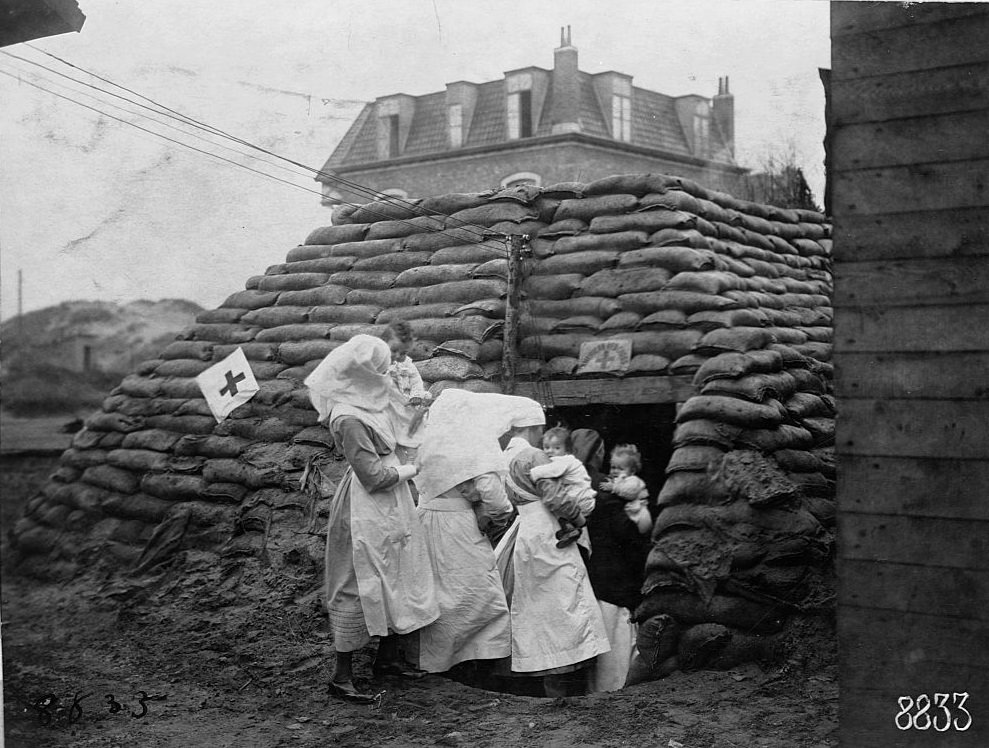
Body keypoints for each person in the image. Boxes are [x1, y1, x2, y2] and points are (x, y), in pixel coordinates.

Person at [305, 334, 439, 703]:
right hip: (365, 505)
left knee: (397, 570)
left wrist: (417, 407)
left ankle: (387, 659)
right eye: (380, 367)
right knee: (357, 579)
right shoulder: (348, 416)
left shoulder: (370, 401)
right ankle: (342, 675)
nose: (385, 372)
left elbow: (405, 431)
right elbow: (373, 477)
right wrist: (413, 469)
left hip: (392, 502)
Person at [413, 389, 545, 676]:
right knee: (475, 593)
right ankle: (472, 663)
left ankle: (433, 659)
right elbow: (495, 498)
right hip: (458, 522)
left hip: (425, 519)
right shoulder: (474, 442)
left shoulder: (426, 439)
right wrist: (493, 515)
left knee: (435, 589)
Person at [496, 418, 611, 697]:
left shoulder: (505, 456)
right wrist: (579, 517)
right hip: (547, 531)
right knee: (561, 605)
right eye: (540, 431)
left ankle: (539, 678)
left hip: (525, 531)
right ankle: (561, 682)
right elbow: (554, 498)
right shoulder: (534, 456)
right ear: (532, 428)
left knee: (533, 604)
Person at [572, 430, 652, 692]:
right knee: (616, 633)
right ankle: (616, 687)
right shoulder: (608, 489)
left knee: (601, 631)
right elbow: (627, 534)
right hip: (614, 573)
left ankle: (600, 687)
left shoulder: (575, 482)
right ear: (598, 453)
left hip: (593, 570)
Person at [529, 426, 597, 548]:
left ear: (567, 450)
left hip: (581, 499)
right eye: (546, 447)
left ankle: (571, 529)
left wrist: (533, 474)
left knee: (559, 503)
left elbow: (550, 471)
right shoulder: (564, 460)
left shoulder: (565, 461)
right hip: (582, 498)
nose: (550, 451)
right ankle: (570, 529)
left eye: (557, 448)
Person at [600, 443, 652, 535]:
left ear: (632, 471)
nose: (615, 471)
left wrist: (614, 487)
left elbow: (630, 492)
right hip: (629, 513)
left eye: (620, 469)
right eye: (613, 467)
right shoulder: (616, 479)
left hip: (639, 514)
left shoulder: (633, 480)